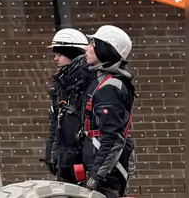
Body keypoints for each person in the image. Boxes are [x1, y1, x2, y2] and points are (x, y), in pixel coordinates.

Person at [79, 24, 137, 198]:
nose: (86, 48)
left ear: (104, 50)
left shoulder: (110, 88)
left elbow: (113, 138)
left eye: (92, 44)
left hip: (107, 174)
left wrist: (96, 175)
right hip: (101, 167)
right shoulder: (101, 81)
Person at [44, 28, 94, 183]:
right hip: (65, 159)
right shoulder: (61, 85)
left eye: (59, 54)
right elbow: (56, 122)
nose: (55, 59)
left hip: (83, 160)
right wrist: (52, 153)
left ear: (71, 54)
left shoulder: (88, 83)